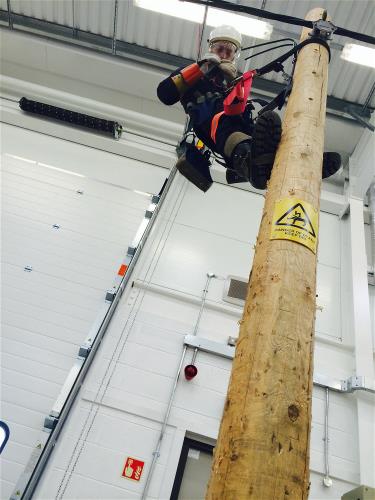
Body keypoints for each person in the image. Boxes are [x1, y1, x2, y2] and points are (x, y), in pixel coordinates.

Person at [157, 25, 340, 192]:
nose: (223, 55)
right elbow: (165, 94)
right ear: (210, 48)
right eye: (219, 49)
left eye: (229, 51)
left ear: (235, 55)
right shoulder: (193, 74)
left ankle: (294, 161)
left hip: (238, 123)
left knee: (264, 129)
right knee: (228, 125)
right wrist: (201, 68)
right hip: (210, 124)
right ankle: (249, 163)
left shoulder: (234, 83)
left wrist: (234, 84)